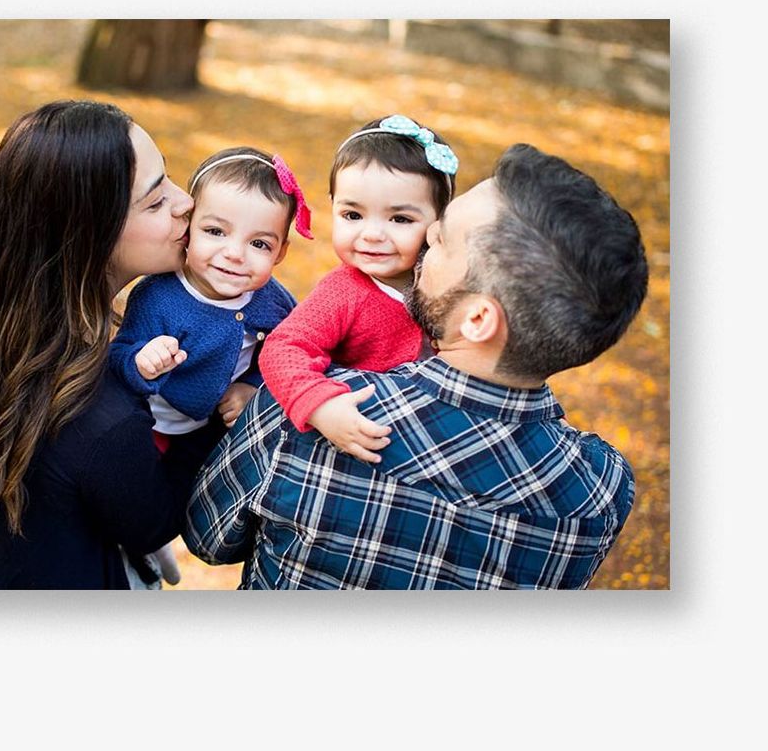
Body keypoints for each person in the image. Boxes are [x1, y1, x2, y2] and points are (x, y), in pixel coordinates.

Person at [184, 143, 649, 589]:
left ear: (479, 318)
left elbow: (208, 538)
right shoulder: (599, 489)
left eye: (442, 241)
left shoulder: (311, 415)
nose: (423, 236)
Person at [0, 100, 196, 588]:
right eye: (155, 202)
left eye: (168, 179)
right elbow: (153, 521)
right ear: (87, 235)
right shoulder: (98, 415)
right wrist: (212, 410)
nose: (186, 202)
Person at [109, 148, 311, 579]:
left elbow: (286, 348)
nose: (235, 254)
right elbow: (120, 356)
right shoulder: (160, 297)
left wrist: (253, 385)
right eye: (216, 231)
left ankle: (161, 540)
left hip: (207, 429)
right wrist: (142, 363)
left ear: (280, 253)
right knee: (130, 497)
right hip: (151, 421)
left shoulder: (272, 300)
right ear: (189, 230)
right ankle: (132, 547)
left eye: (259, 243)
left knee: (189, 498)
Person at [258, 115, 456, 463]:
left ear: (438, 223)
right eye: (353, 215)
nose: (373, 234)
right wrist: (320, 405)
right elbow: (283, 348)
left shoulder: (446, 281)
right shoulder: (344, 292)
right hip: (359, 439)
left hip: (433, 435)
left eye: (400, 219)